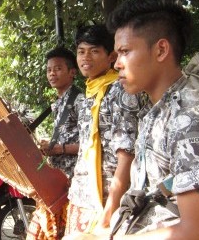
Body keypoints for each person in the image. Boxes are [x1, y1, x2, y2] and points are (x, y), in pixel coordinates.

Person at [68, 0, 199, 239]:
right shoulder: (155, 113)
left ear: (160, 50)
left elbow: (198, 232)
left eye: (125, 52)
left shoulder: (190, 122)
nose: (117, 65)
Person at [64, 24, 143, 237]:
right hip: (83, 196)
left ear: (111, 57)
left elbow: (126, 154)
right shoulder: (89, 92)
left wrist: (111, 209)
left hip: (106, 200)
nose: (85, 57)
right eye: (81, 52)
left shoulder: (120, 91)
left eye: (94, 51)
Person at [26, 47, 84, 239]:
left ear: (72, 72)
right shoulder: (59, 102)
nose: (52, 73)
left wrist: (60, 149)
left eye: (58, 68)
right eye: (49, 69)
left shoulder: (80, 101)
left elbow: (92, 145)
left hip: (74, 182)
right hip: (60, 180)